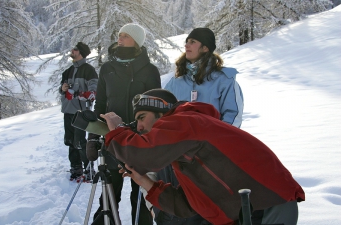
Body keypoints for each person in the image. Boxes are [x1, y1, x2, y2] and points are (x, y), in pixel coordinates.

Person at [100, 88, 305, 225]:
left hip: (266, 206)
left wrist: (116, 130)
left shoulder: (185, 121)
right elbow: (188, 205)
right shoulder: (187, 148)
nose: (139, 127)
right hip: (251, 209)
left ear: (162, 113)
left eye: (142, 118)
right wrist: (144, 181)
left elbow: (141, 155)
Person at [154, 27, 244, 224]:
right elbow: (164, 113)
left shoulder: (224, 80)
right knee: (182, 204)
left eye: (193, 41)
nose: (187, 44)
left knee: (208, 205)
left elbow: (233, 115)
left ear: (205, 48)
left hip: (211, 155)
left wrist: (216, 144)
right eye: (187, 40)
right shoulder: (176, 81)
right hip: (179, 154)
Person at [86, 23, 160, 225]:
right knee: (108, 200)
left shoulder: (150, 70)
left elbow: (156, 111)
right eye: (119, 34)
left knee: (142, 201)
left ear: (136, 41)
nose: (120, 38)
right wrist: (92, 137)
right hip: (112, 141)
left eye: (125, 35)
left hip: (140, 143)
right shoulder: (107, 68)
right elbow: (100, 104)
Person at [59, 42, 98, 181]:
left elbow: (93, 91)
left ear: (81, 52)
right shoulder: (68, 71)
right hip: (68, 111)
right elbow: (61, 90)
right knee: (70, 141)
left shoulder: (89, 70)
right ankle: (76, 168)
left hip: (81, 112)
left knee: (80, 142)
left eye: (75, 49)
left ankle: (89, 170)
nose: (72, 51)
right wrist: (63, 89)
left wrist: (77, 94)